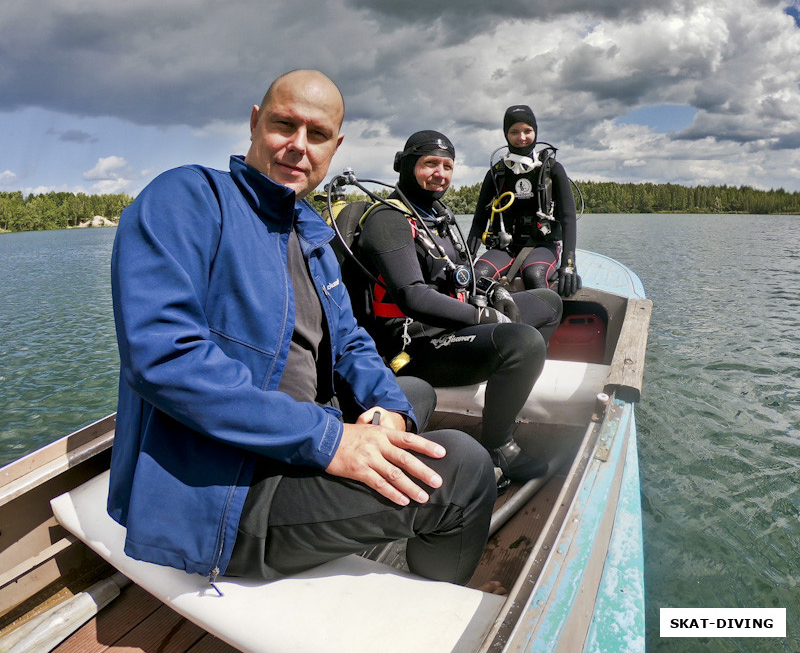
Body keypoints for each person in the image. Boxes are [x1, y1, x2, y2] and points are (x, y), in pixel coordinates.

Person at [107, 70, 497, 588]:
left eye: (316, 135)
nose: (297, 146)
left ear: (334, 147)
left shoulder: (308, 230)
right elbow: (165, 358)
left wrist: (390, 414)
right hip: (228, 486)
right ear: (253, 123)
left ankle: (379, 513)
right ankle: (430, 601)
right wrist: (332, 440)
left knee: (414, 393)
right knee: (465, 470)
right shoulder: (188, 198)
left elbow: (352, 341)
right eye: (283, 125)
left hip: (297, 441)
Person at [351, 131, 563, 483]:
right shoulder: (388, 219)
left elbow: (456, 274)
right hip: (413, 349)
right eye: (429, 163)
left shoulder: (435, 217)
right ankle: (499, 446)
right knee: (523, 342)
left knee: (549, 303)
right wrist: (484, 316)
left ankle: (509, 392)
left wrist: (494, 291)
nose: (440, 173)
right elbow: (413, 296)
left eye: (447, 166)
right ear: (404, 165)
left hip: (452, 329)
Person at [468, 105, 581, 296]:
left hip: (542, 245)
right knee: (479, 276)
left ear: (535, 132)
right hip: (504, 248)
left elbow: (569, 218)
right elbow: (479, 221)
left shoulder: (552, 169)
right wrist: (466, 260)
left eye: (527, 131)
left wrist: (569, 264)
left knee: (534, 275)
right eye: (514, 132)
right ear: (506, 134)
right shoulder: (497, 172)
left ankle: (542, 324)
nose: (521, 138)